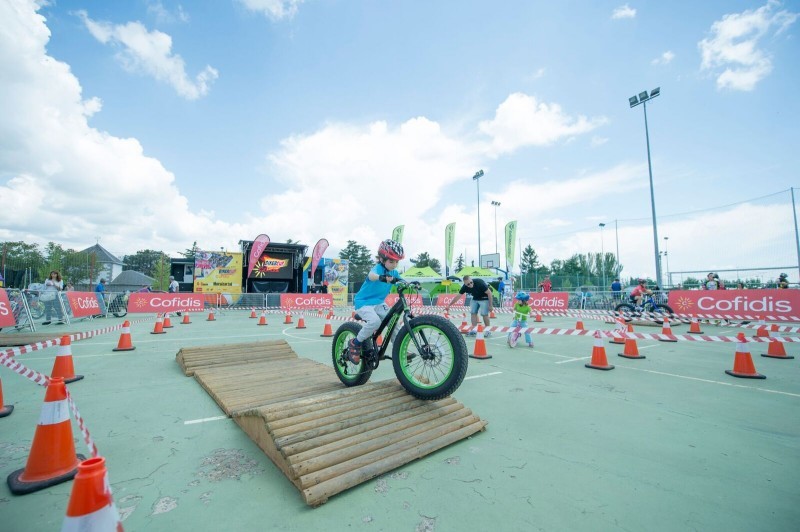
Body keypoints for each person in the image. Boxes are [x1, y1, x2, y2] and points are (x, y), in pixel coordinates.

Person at [347, 239, 405, 364]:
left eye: (396, 262)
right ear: (382, 259)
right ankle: (355, 343)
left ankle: (399, 348)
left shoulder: (394, 272)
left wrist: (412, 284)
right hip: (364, 302)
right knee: (375, 321)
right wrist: (381, 277)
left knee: (394, 321)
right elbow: (371, 276)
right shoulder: (378, 269)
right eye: (391, 261)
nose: (394, 265)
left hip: (379, 303)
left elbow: (402, 280)